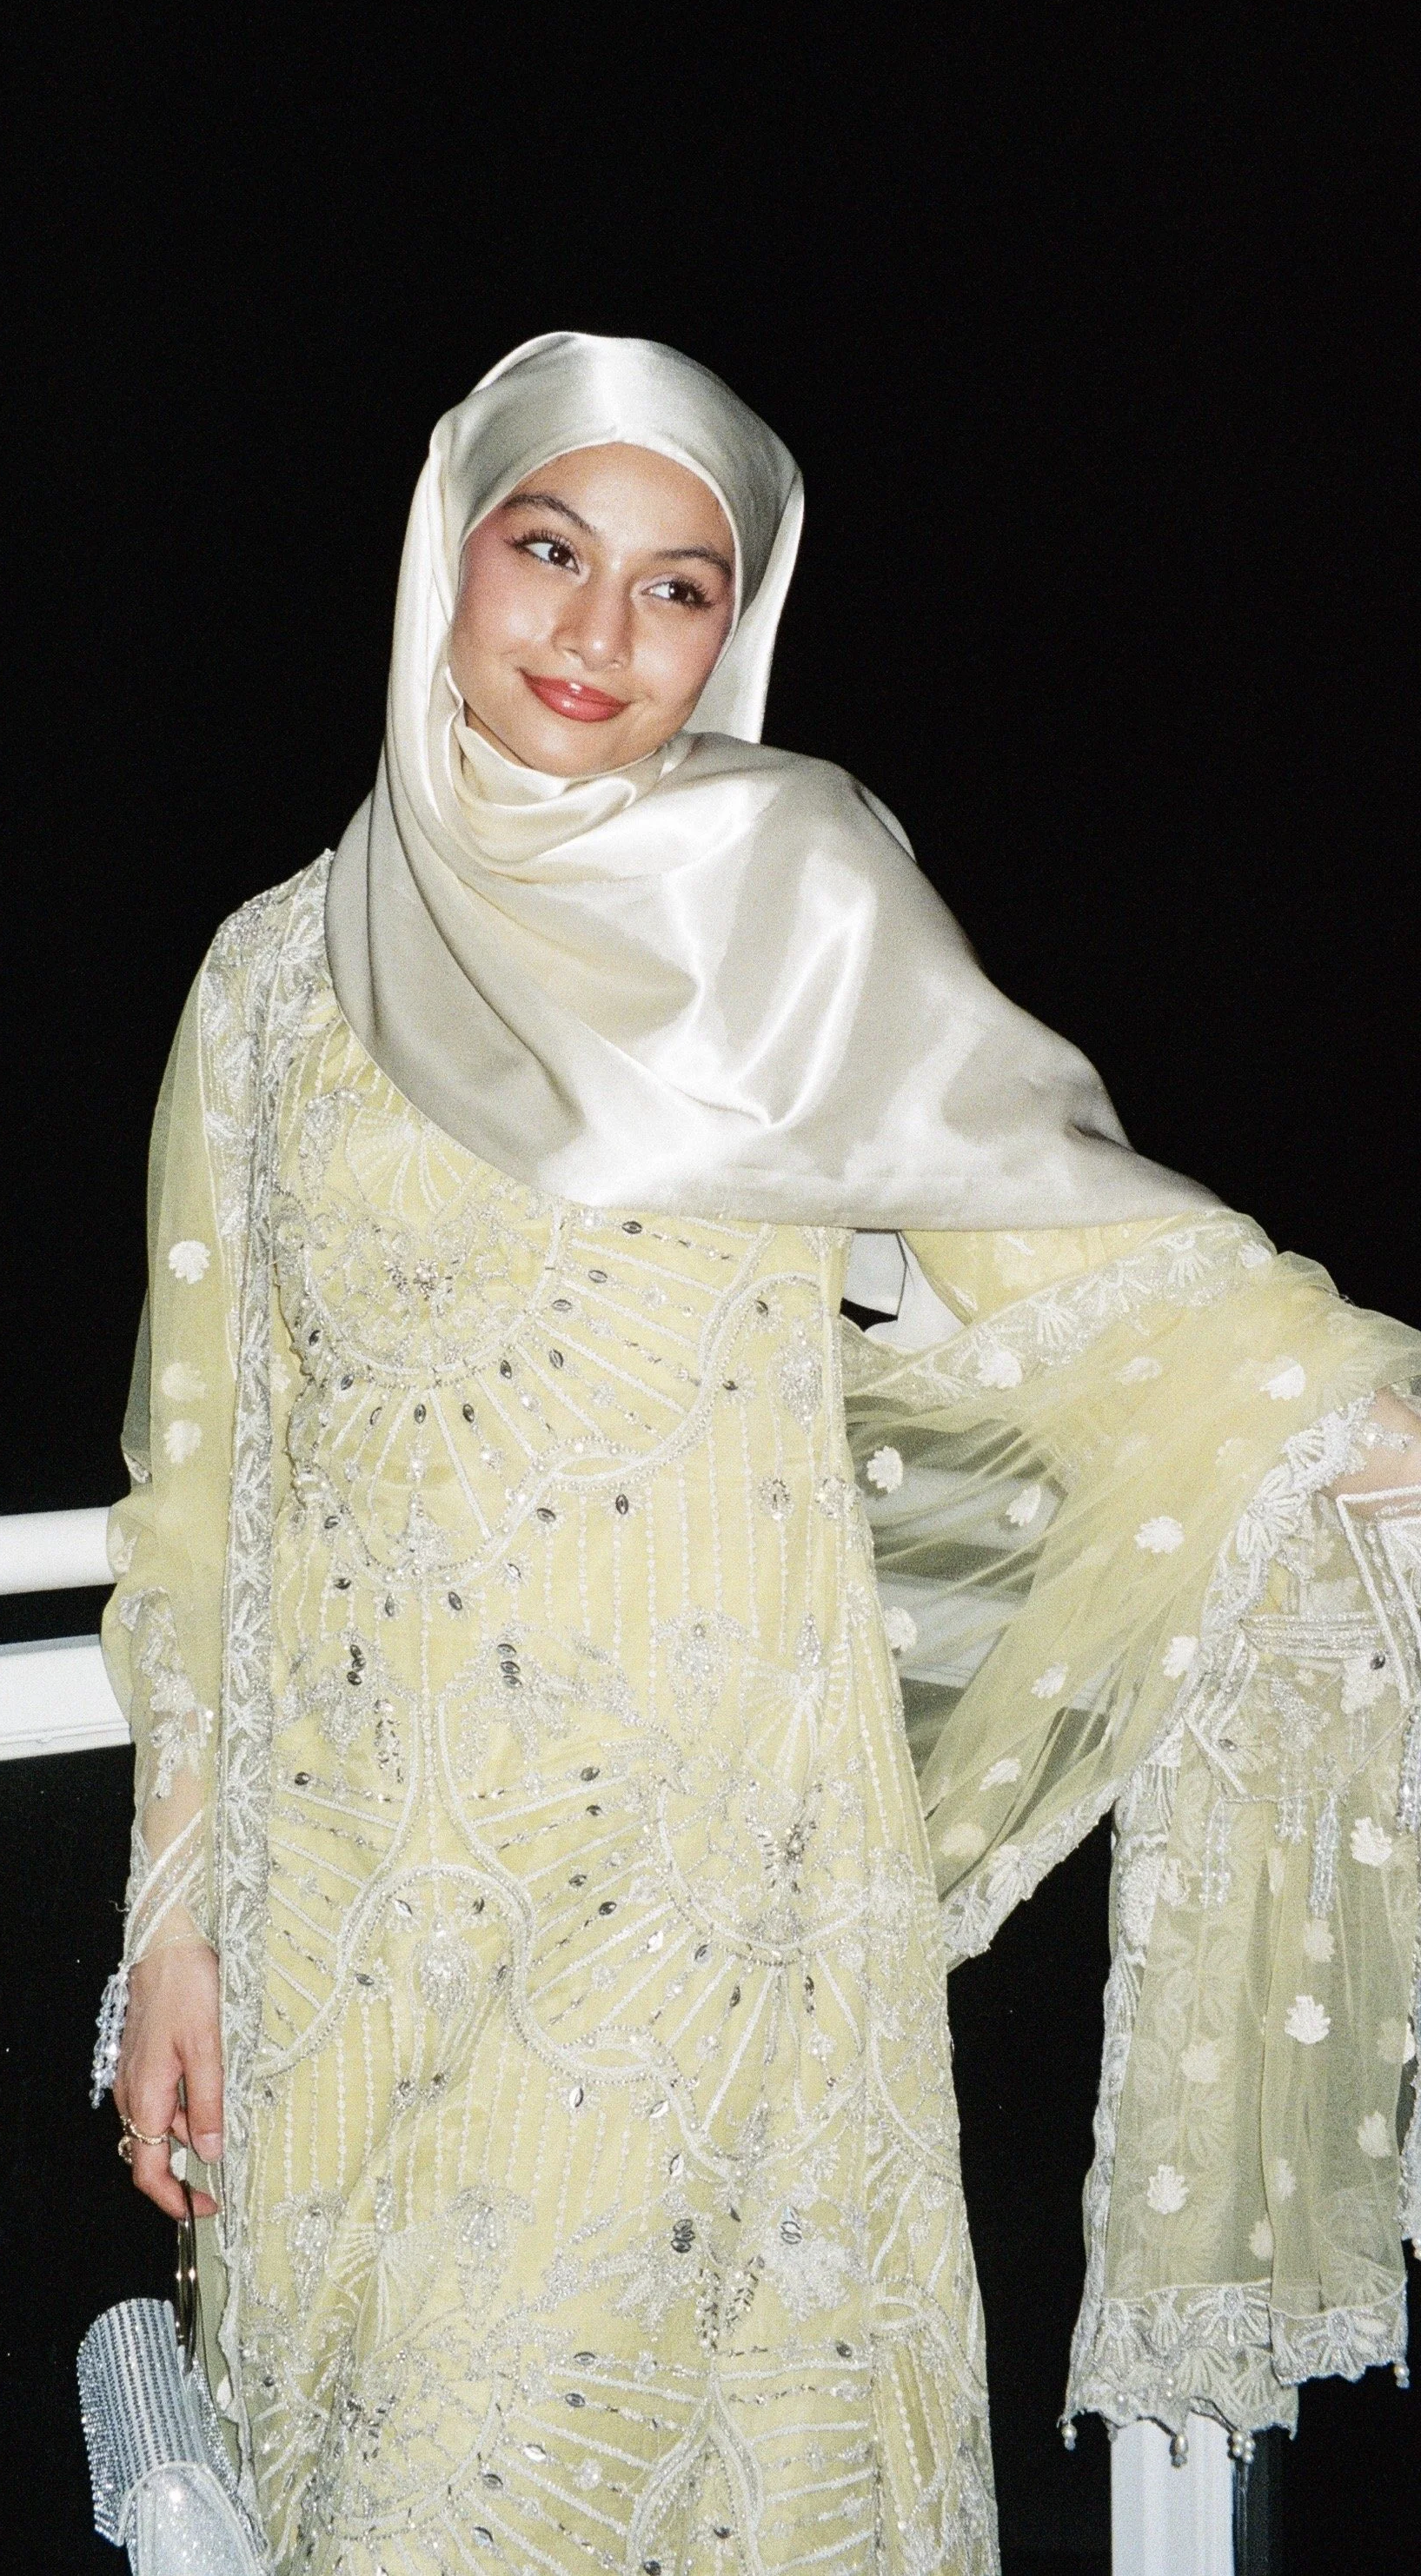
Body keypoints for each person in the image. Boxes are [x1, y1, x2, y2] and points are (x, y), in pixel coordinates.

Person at [96, 332, 1421, 2574]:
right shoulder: (269, 977)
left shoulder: (789, 900)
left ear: (747, 624)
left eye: (680, 586)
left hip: (704, 1913)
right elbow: (196, 1490)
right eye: (550, 548)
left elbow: (1100, 1264)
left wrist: (1371, 1424)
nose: (601, 636)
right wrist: (173, 1936)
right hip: (350, 1937)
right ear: (447, 557)